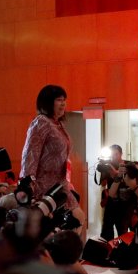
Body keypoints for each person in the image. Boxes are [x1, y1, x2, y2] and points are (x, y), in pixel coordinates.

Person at [20, 84, 86, 241]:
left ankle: (63, 256)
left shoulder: (58, 124)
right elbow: (30, 155)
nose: (63, 103)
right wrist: (28, 185)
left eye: (64, 100)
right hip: (43, 184)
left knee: (77, 218)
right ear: (48, 102)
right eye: (59, 100)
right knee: (57, 224)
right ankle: (58, 257)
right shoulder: (41, 123)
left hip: (60, 183)